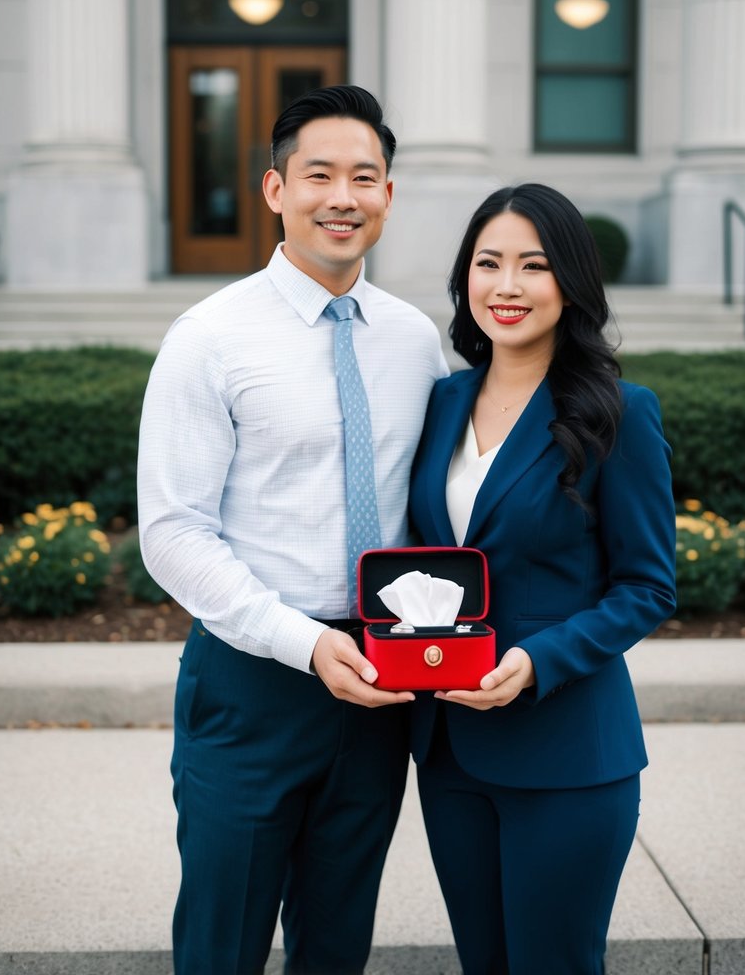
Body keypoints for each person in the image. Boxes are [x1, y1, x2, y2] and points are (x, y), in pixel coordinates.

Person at [137, 85, 448, 975]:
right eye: (318, 175)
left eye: (365, 176)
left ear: (388, 195)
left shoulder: (412, 340)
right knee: (221, 941)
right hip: (253, 679)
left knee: (337, 937)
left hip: (385, 683)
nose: (341, 197)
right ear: (275, 190)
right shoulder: (210, 337)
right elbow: (173, 531)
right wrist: (303, 643)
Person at [408, 183, 676, 975]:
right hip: (450, 750)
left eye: (534, 265)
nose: (508, 286)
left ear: (570, 283)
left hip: (566, 755)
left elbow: (646, 587)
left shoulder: (618, 413)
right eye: (488, 263)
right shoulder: (438, 403)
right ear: (465, 280)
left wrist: (538, 662)